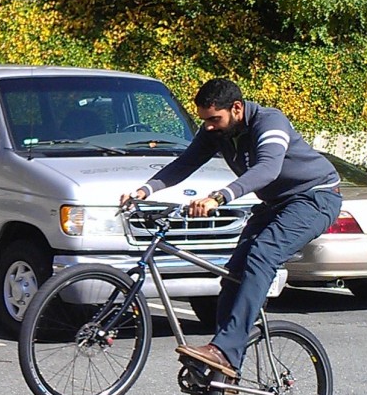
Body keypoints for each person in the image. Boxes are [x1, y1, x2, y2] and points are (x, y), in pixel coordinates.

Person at [121, 78, 342, 379]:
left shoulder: (270, 122)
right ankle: (224, 364)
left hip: (315, 198)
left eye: (214, 119)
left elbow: (267, 169)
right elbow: (185, 163)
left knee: (261, 255)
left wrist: (218, 197)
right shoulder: (217, 131)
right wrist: (145, 190)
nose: (209, 127)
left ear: (236, 108)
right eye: (204, 120)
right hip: (277, 203)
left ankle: (224, 350)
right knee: (234, 273)